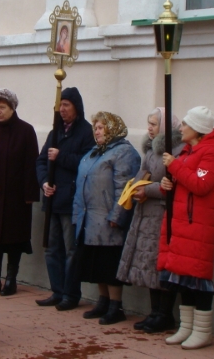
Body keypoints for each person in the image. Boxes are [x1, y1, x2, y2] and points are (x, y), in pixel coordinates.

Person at [158, 106, 214, 350]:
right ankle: (186, 327)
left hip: (197, 225)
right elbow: (181, 183)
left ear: (197, 128)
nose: (181, 127)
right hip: (182, 224)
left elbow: (201, 184)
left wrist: (175, 166)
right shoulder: (188, 151)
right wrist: (167, 184)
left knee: (198, 277)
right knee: (183, 276)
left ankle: (202, 330)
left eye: (185, 124)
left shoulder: (212, 153)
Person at [116, 107, 184, 333]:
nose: (150, 128)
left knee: (161, 264)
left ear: (165, 126)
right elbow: (142, 173)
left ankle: (165, 314)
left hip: (163, 214)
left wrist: (148, 190)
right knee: (148, 263)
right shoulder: (150, 150)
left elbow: (172, 184)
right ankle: (154, 312)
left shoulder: (176, 150)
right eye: (149, 123)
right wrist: (134, 188)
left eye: (154, 124)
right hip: (146, 213)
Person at [72, 112, 140, 325]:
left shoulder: (124, 152)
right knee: (96, 264)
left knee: (109, 264)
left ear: (112, 129)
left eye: (101, 127)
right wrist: (77, 215)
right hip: (90, 218)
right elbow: (80, 185)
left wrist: (117, 216)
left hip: (108, 219)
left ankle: (115, 306)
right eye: (96, 128)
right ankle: (103, 301)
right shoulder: (94, 152)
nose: (97, 132)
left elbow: (124, 188)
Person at [35, 87, 96, 311]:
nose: (62, 109)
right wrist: (44, 182)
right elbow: (41, 161)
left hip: (71, 201)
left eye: (66, 105)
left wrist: (61, 156)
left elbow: (87, 162)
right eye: (60, 105)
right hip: (52, 198)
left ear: (76, 107)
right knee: (52, 248)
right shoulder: (55, 131)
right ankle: (57, 291)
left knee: (72, 250)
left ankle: (71, 294)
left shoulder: (86, 132)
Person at [0, 89, 40, 296]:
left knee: (15, 240)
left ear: (12, 108)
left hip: (17, 197)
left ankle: (11, 280)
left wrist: (30, 195)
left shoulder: (26, 131)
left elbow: (32, 163)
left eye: (2, 107)